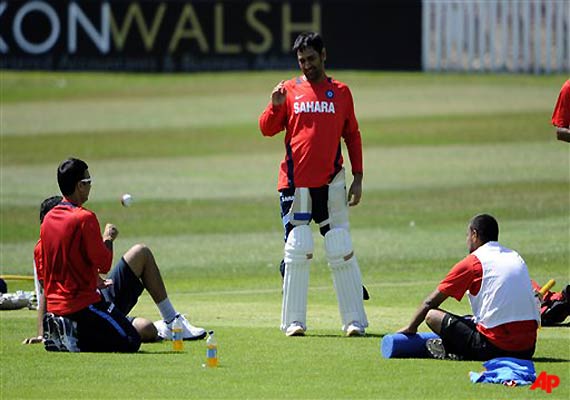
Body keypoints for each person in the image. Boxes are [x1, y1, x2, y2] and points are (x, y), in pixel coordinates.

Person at [33, 158, 206, 352]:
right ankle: (72, 338)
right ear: (80, 186)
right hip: (84, 306)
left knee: (145, 328)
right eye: (88, 182)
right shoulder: (84, 217)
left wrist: (93, 279)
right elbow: (104, 263)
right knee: (131, 341)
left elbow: (57, 274)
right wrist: (108, 238)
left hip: (64, 307)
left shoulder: (48, 220)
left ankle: (69, 331)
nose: (90, 186)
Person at [258, 32, 368, 337]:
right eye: (301, 60)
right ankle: (294, 321)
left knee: (340, 245)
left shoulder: (341, 92)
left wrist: (358, 177)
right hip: (295, 185)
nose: (306, 65)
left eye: (311, 59)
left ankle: (354, 321)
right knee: (298, 245)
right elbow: (266, 129)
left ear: (323, 55)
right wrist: (275, 106)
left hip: (331, 183)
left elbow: (352, 135)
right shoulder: (289, 90)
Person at [398, 214, 540, 361]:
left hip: (494, 348)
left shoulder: (473, 262)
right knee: (469, 319)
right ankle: (453, 347)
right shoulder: (515, 257)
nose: (467, 241)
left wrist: (411, 327)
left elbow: (430, 303)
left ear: (474, 234)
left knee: (432, 316)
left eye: (467, 235)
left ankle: (453, 349)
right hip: (527, 349)